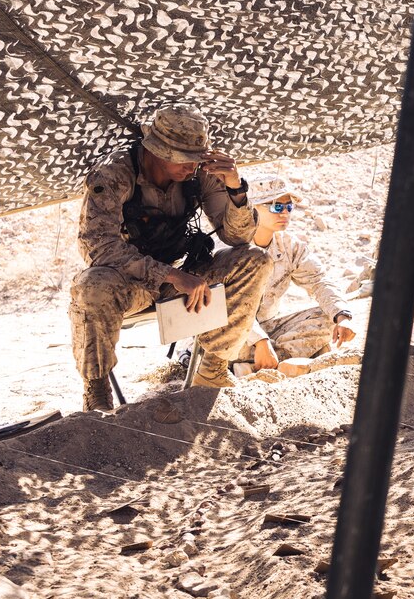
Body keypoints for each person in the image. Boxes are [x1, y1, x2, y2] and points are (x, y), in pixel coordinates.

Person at [68, 105, 271, 410]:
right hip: (131, 283)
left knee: (255, 260)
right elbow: (98, 248)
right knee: (90, 284)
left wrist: (236, 190)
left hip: (185, 278)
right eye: (185, 160)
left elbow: (239, 238)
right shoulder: (114, 175)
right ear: (159, 152)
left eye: (197, 159)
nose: (193, 167)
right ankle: (96, 391)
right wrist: (172, 276)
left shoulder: (198, 174)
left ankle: (212, 369)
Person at [238, 174, 356, 371]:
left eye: (288, 207)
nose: (285, 213)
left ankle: (260, 363)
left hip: (269, 327)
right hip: (232, 332)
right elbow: (226, 308)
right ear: (252, 208)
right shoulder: (230, 249)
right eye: (276, 206)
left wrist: (342, 317)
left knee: (328, 318)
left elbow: (319, 281)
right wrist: (259, 340)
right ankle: (261, 361)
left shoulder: (289, 246)